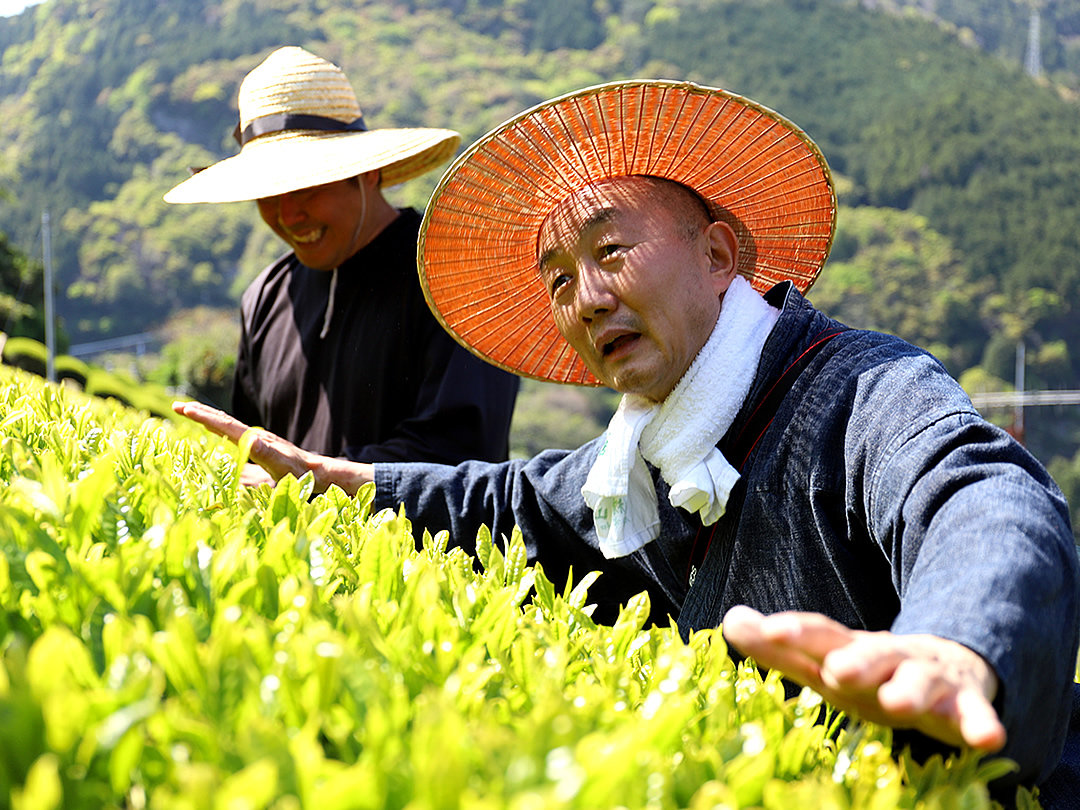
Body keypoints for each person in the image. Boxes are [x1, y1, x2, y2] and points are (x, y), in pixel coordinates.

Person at [173, 79, 1080, 803]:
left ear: (721, 255)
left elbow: (979, 494)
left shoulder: (861, 391)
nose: (586, 298)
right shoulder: (642, 459)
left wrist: (961, 646)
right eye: (560, 277)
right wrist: (341, 482)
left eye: (610, 252)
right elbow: (515, 502)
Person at [164, 46, 519, 484]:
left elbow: (462, 458)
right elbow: (254, 449)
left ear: (368, 172)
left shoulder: (452, 274)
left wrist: (310, 479)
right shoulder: (265, 298)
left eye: (307, 187)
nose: (288, 215)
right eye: (268, 193)